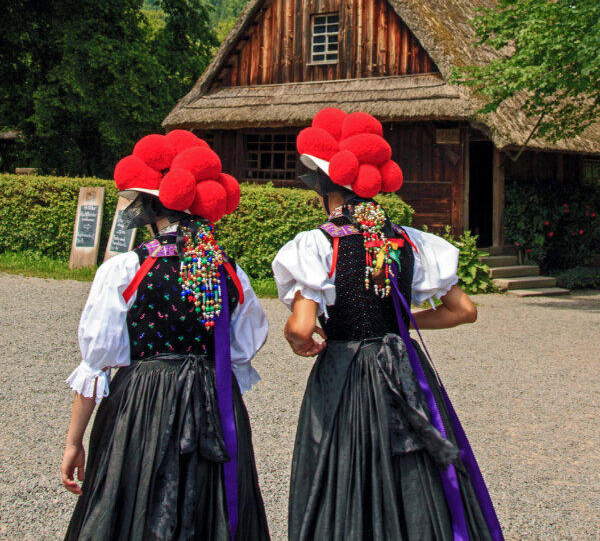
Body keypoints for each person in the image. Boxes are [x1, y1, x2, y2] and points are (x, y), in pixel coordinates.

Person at [272, 108, 504, 541]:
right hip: (404, 364)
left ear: (328, 189)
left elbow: (302, 327)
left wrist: (295, 336)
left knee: (344, 464)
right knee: (412, 458)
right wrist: (402, 319)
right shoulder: (412, 240)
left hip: (345, 369)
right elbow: (463, 310)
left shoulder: (317, 244)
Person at [61, 130, 270, 541]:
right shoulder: (230, 273)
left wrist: (74, 441)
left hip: (142, 404)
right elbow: (243, 351)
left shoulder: (126, 270)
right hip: (215, 402)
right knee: (213, 513)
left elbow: (97, 362)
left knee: (136, 504)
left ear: (154, 205)